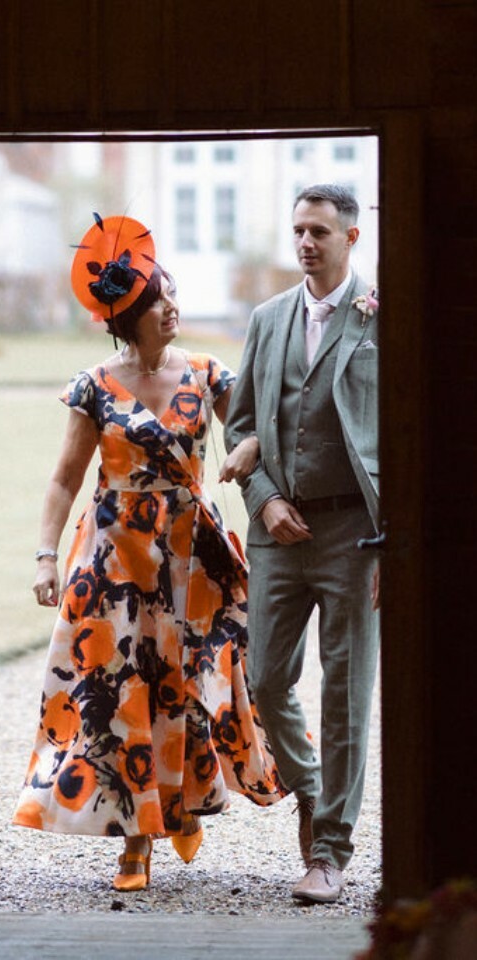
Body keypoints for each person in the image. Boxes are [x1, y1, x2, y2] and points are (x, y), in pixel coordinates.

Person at [13, 214, 287, 891]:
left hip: (193, 555)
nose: (172, 308)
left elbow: (258, 432)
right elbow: (64, 479)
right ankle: (137, 840)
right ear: (129, 315)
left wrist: (252, 450)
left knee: (195, 685)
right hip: (115, 562)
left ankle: (182, 805)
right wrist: (45, 556)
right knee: (122, 692)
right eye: (158, 300)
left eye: (172, 294)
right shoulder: (93, 387)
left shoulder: (209, 374)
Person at [223, 184, 380, 904]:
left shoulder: (380, 316)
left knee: (345, 692)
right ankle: (314, 793)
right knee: (263, 679)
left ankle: (329, 852)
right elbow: (240, 424)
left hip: (354, 533)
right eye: (298, 231)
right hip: (278, 533)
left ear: (351, 236)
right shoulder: (267, 319)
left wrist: (391, 540)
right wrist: (265, 499)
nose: (306, 243)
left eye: (319, 231)